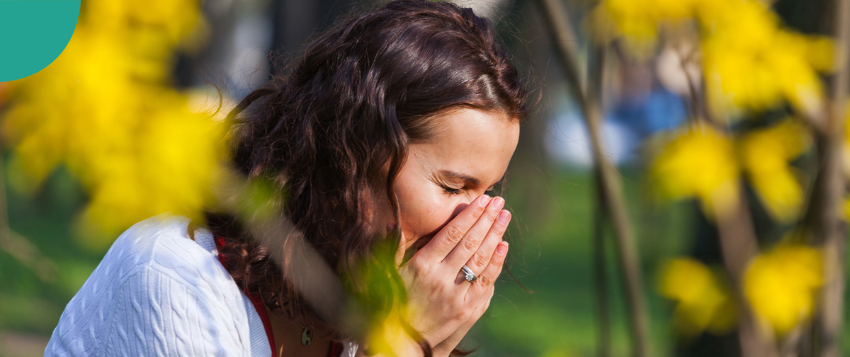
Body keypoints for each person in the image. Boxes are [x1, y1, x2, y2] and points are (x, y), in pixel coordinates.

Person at [44, 0, 528, 356]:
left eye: (489, 192)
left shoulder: (357, 299)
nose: (481, 221)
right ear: (352, 156)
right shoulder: (174, 277)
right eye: (453, 187)